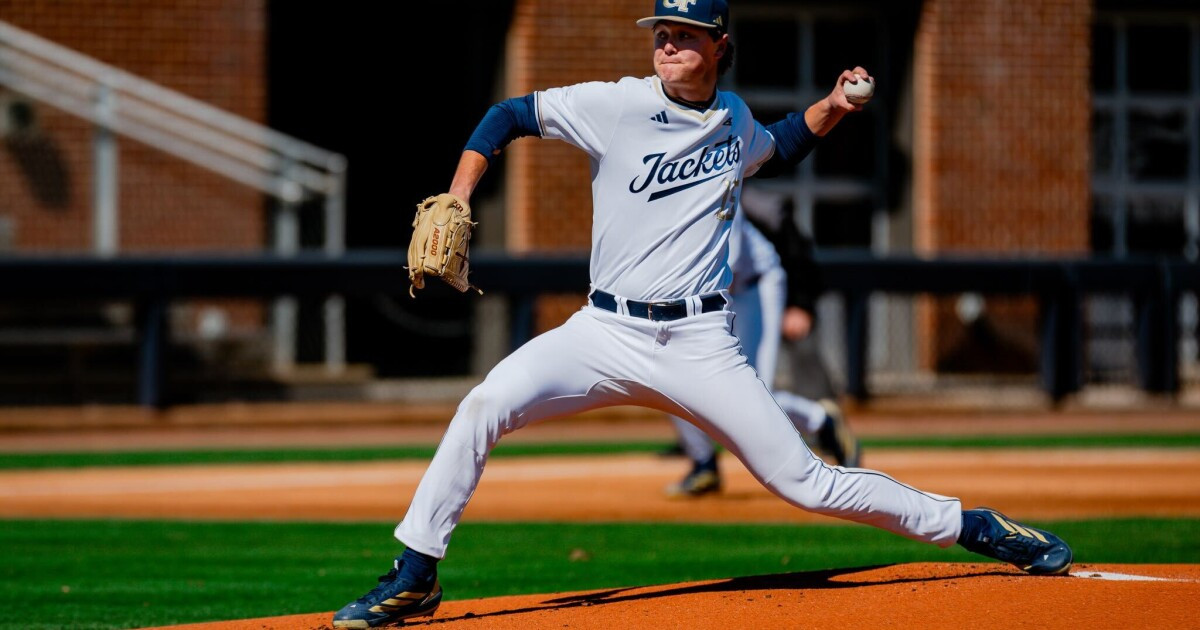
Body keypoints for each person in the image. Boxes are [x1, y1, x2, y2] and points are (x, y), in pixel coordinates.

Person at [333, 2, 1073, 627]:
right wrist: (459, 194)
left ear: (719, 45)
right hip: (604, 332)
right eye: (661, 33)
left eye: (683, 35)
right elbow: (507, 115)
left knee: (807, 483)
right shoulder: (617, 104)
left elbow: (779, 146)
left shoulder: (732, 117)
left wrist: (834, 106)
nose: (666, 45)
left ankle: (973, 526)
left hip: (698, 341)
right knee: (484, 403)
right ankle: (416, 573)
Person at [664, 209, 860, 497]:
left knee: (756, 391)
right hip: (712, 295)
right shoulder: (665, 205)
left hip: (754, 286)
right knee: (671, 375)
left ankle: (821, 420)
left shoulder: (717, 193)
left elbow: (725, 270)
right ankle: (703, 463)